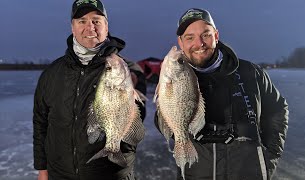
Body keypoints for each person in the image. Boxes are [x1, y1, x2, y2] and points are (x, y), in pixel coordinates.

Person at [154, 8, 289, 180]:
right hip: (195, 173)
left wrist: (269, 157)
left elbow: (277, 110)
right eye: (189, 37)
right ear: (180, 43)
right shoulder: (174, 76)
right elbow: (162, 123)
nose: (199, 43)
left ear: (216, 36)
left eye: (206, 34)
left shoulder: (251, 73)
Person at [33, 0, 146, 179]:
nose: (90, 27)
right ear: (73, 27)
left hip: (111, 175)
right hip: (59, 174)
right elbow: (41, 123)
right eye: (82, 21)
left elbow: (141, 112)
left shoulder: (127, 67)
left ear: (106, 27)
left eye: (96, 21)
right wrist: (42, 169)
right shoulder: (52, 73)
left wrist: (131, 84)